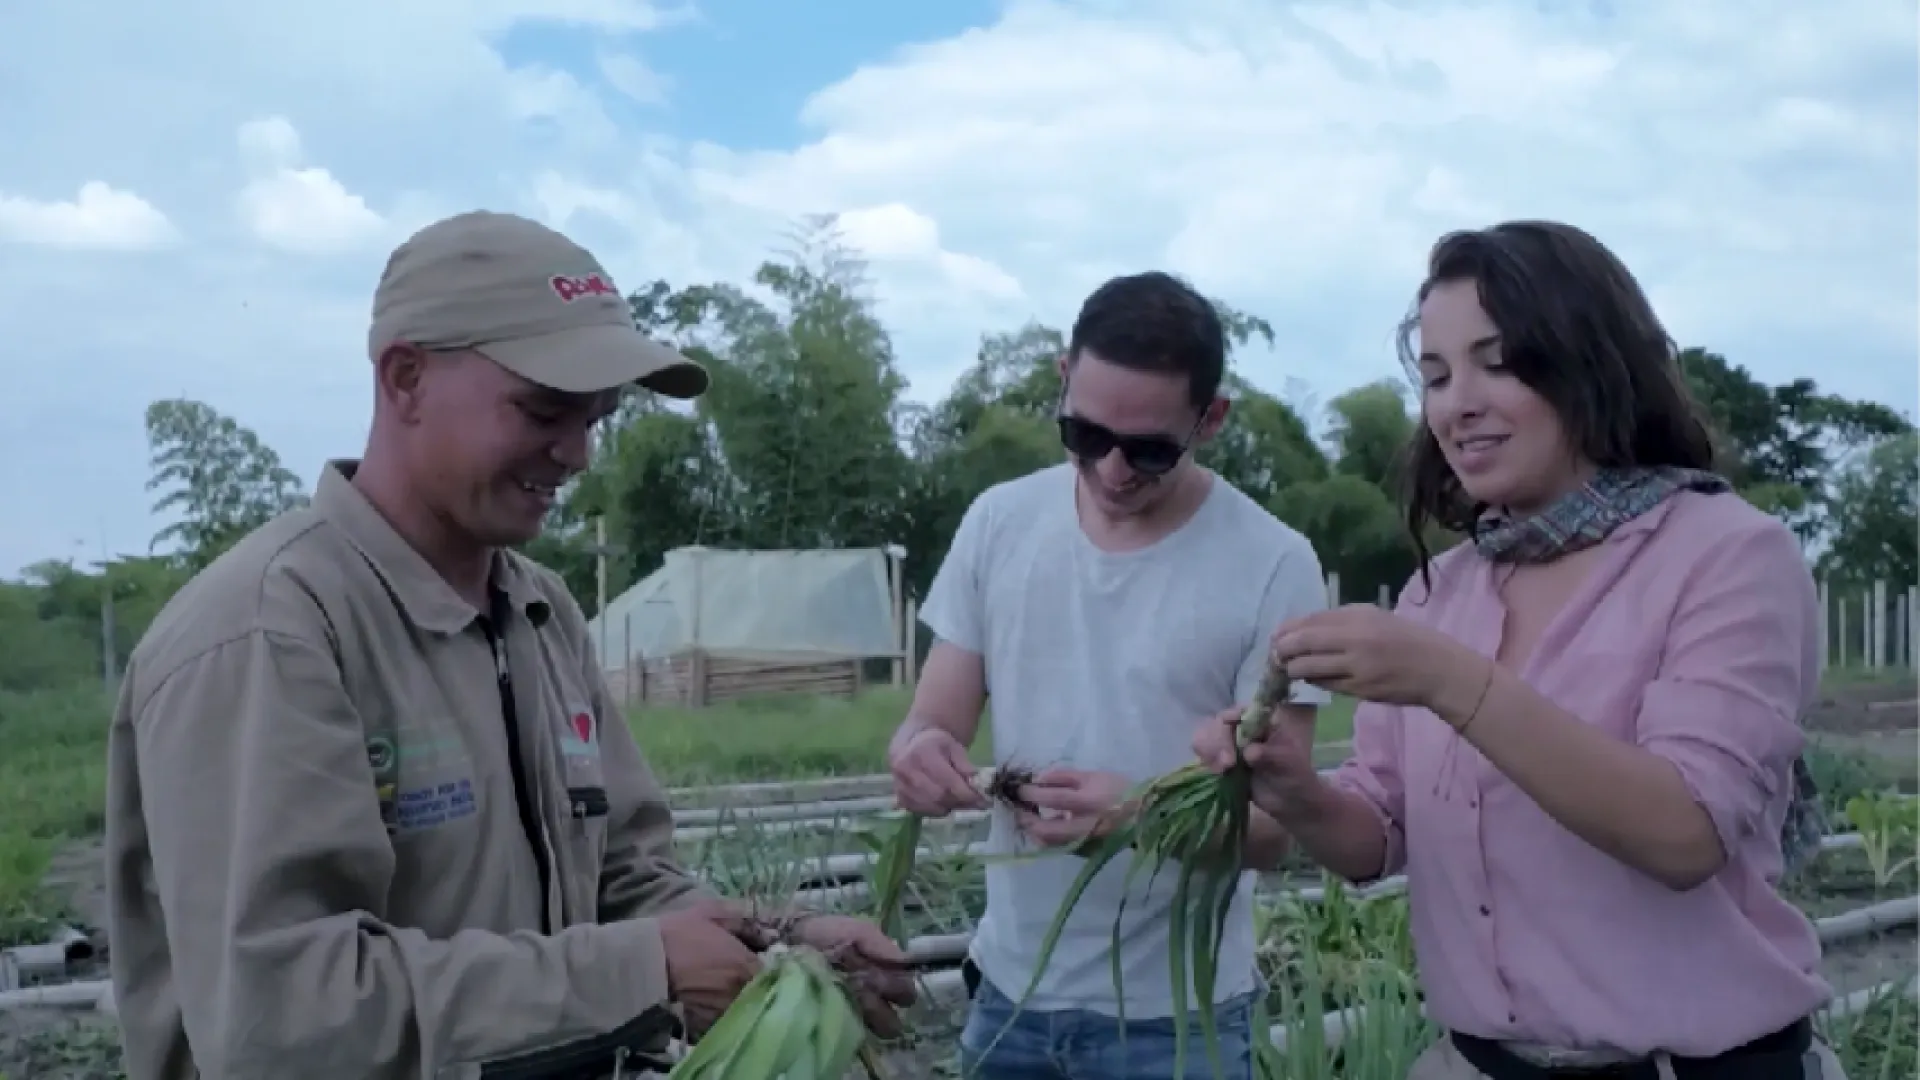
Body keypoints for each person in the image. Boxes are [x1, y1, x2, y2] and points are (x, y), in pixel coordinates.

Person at [103, 210, 913, 1080]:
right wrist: (641, 972)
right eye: (543, 411)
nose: (577, 453)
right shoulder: (272, 633)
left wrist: (785, 949)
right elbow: (282, 1014)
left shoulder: (539, 612)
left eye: (596, 417)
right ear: (406, 379)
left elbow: (626, 883)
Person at [1196, 220, 1846, 1080]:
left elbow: (1687, 832)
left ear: (1590, 361)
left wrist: (1447, 680)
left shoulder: (1727, 554)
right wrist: (1297, 790)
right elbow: (1374, 838)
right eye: (1434, 376)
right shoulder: (1444, 589)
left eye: (1496, 363)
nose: (1455, 403)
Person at [887, 271, 1333, 1079]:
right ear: (1063, 381)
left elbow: (1279, 831)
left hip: (1173, 1027)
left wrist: (1137, 818)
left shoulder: (1273, 564)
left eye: (1151, 449)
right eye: (1087, 435)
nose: (1114, 471)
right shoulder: (1000, 523)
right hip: (1008, 1002)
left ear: (1212, 418)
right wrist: (918, 754)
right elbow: (932, 723)